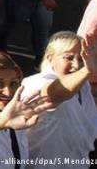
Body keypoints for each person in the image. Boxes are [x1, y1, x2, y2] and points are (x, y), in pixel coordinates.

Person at [22, 32, 97, 168]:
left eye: (82, 59)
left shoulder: (83, 85)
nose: (76, 65)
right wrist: (87, 70)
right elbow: (53, 94)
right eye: (68, 58)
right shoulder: (37, 83)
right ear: (50, 58)